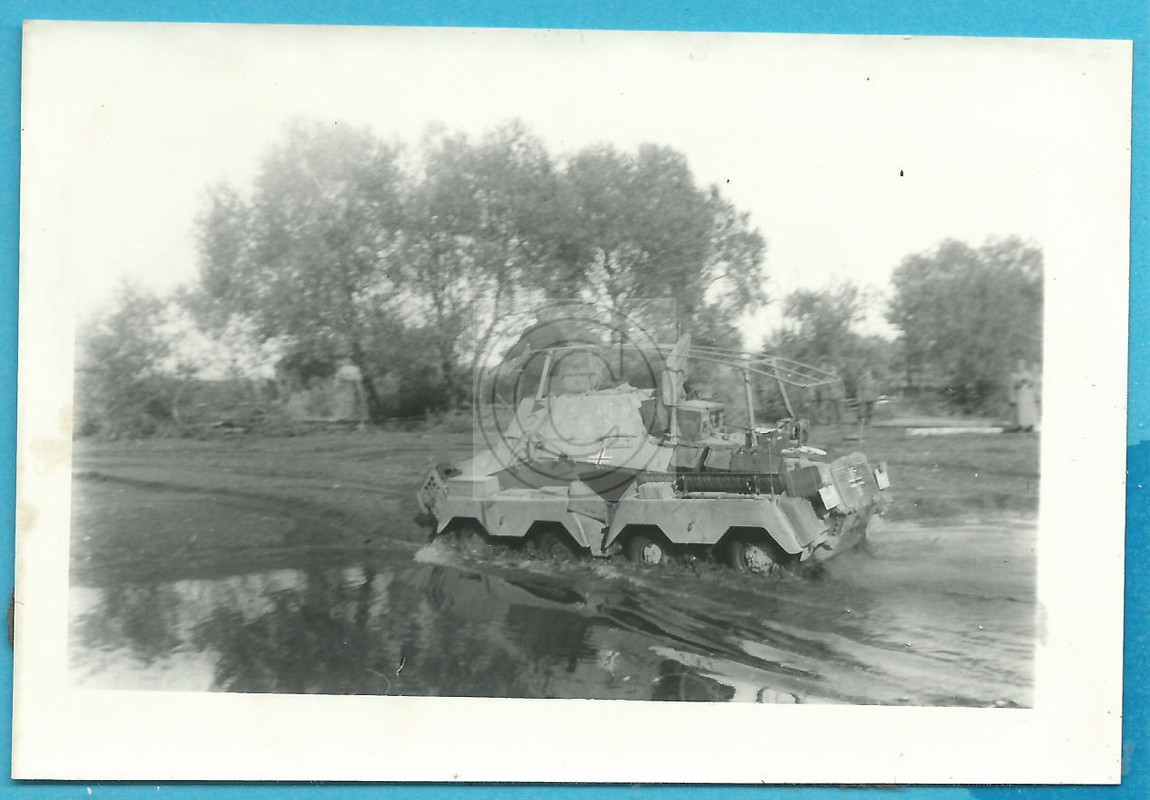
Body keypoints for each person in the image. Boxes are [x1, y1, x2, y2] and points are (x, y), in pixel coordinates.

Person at [1008, 359, 1040, 432]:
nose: (1020, 366)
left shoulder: (1027, 374)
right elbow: (1013, 386)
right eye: (1018, 365)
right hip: (1019, 395)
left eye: (1021, 365)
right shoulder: (1014, 375)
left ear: (1024, 366)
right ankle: (1019, 426)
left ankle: (1029, 425)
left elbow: (1032, 383)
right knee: (1019, 411)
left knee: (1027, 410)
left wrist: (1026, 383)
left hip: (1027, 395)